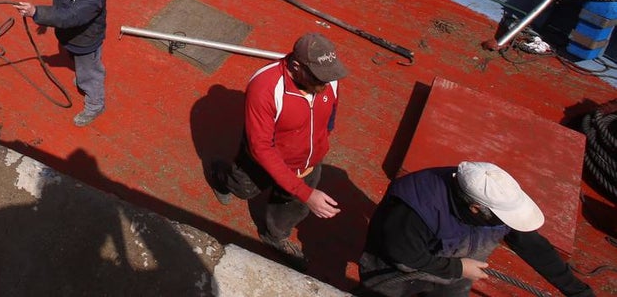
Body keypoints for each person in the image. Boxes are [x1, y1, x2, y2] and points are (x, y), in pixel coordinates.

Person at [207, 33, 347, 270]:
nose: (325, 85)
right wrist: (305, 192)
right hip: (262, 161)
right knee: (243, 188)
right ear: (295, 66)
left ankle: (275, 235)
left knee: (294, 205)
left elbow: (331, 111)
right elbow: (261, 148)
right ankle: (220, 177)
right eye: (318, 79)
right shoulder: (264, 87)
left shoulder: (328, 78)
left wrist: (323, 136)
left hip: (308, 162)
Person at [358, 161, 595, 297]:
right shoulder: (413, 209)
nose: (506, 224)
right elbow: (401, 252)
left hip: (455, 277)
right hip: (394, 275)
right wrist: (458, 266)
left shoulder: (494, 201)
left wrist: (577, 291)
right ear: (475, 208)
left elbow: (534, 247)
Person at [13, 0, 108, 127]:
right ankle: (86, 76)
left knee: (89, 71)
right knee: (79, 62)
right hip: (68, 35)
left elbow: (70, 17)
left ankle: (95, 103)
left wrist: (36, 12)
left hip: (85, 39)